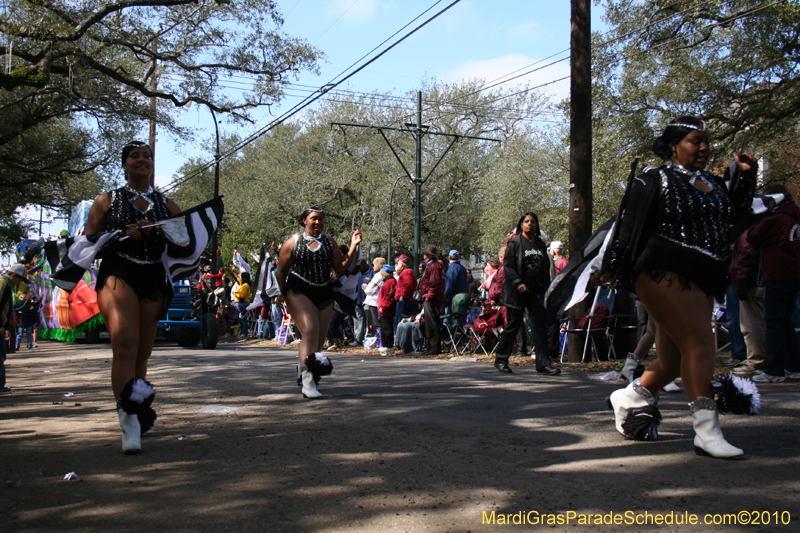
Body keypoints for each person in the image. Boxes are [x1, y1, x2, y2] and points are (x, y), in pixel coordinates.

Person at [602, 116, 757, 458]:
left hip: (704, 273)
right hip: (662, 268)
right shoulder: (655, 179)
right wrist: (610, 267)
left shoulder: (714, 183)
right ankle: (706, 431)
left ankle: (629, 396)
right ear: (674, 145)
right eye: (694, 141)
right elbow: (627, 225)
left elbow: (734, 215)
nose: (703, 148)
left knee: (673, 360)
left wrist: (746, 176)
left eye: (705, 141)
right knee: (700, 343)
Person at [85, 140, 182, 453]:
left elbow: (186, 243)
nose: (142, 160)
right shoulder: (106, 201)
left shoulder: (167, 204)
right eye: (134, 156)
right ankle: (127, 421)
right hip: (118, 273)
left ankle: (138, 410)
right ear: (124, 164)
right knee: (126, 345)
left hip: (153, 277)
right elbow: (88, 245)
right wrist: (120, 236)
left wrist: (158, 231)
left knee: (142, 352)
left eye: (147, 156)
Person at [276, 207, 361, 399]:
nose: (318, 222)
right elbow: (281, 270)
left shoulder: (329, 242)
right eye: (314, 218)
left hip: (324, 291)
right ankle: (308, 381)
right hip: (298, 289)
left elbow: (340, 268)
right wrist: (280, 293)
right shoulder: (293, 243)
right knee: (310, 330)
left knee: (319, 339)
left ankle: (306, 371)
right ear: (304, 221)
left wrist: (353, 246)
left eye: (321, 219)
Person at [494, 213, 561, 375]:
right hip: (517, 291)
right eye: (526, 221)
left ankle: (543, 364)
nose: (530, 224)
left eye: (533, 222)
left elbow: (545, 267)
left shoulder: (540, 244)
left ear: (536, 225)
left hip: (536, 290)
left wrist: (547, 288)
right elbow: (509, 266)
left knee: (539, 326)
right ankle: (501, 360)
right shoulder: (515, 243)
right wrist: (518, 283)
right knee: (513, 325)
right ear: (521, 225)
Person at [747, 185, 800, 383]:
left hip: (778, 273)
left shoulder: (776, 219)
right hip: (794, 274)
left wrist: (760, 216)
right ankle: (794, 366)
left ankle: (775, 370)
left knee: (774, 323)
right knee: (785, 322)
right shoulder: (795, 217)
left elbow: (752, 236)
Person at [1, 264, 28, 394]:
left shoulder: (5, 284)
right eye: (20, 280)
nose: (19, 283)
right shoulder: (2, 284)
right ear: (14, 275)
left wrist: (6, 326)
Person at [418, 244, 445, 355]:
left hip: (432, 298)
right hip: (431, 297)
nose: (424, 255)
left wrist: (429, 295)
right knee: (430, 323)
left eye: (425, 253)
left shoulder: (434, 266)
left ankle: (434, 347)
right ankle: (431, 346)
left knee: (432, 323)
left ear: (427, 255)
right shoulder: (432, 265)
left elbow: (434, 283)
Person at [393, 254, 417, 335]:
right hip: (404, 300)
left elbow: (408, 285)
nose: (397, 264)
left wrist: (402, 296)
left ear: (402, 264)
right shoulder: (407, 271)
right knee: (399, 322)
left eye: (398, 262)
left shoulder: (406, 272)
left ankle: (400, 340)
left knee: (400, 322)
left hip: (404, 301)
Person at [363, 257, 386, 338]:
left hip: (374, 302)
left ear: (378, 266)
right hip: (377, 301)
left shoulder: (378, 276)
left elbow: (369, 290)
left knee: (375, 323)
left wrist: (365, 287)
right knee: (375, 323)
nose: (373, 267)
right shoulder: (382, 276)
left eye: (374, 265)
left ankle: (379, 339)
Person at [377, 265, 397, 348]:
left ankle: (387, 345)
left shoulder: (390, 282)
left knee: (386, 328)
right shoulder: (390, 281)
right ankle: (386, 345)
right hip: (384, 308)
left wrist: (383, 306)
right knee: (384, 327)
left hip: (386, 309)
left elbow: (389, 297)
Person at [444, 250, 467, 319]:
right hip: (462, 299)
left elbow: (449, 286)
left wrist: (445, 301)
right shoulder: (462, 268)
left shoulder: (452, 268)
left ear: (449, 257)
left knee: (450, 321)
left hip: (453, 300)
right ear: (458, 257)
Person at [230, 266, 251, 338]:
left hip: (242, 303)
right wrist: (232, 272)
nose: (240, 278)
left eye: (241, 277)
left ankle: (244, 333)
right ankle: (243, 332)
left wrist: (234, 293)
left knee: (242, 318)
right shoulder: (242, 284)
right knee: (240, 318)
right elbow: (237, 279)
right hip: (239, 303)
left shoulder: (245, 286)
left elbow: (241, 296)